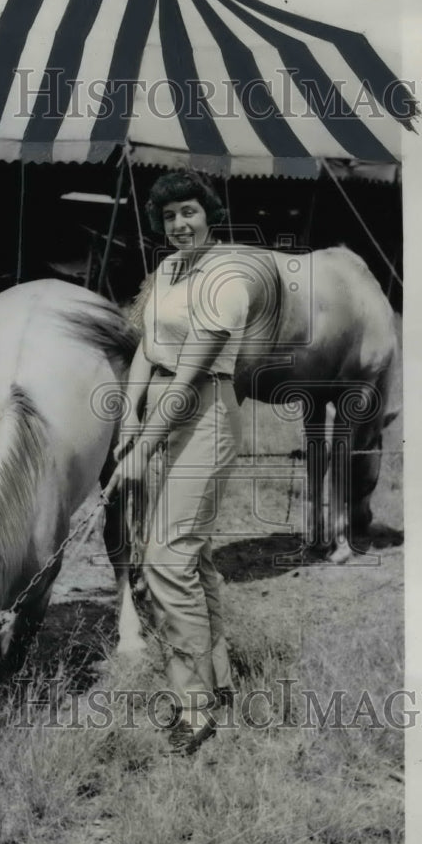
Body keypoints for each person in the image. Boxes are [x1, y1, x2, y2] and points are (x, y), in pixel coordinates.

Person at [105, 170, 252, 756]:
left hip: (204, 412)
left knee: (166, 560)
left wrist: (143, 450)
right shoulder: (167, 271)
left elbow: (190, 371)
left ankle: (193, 708)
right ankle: (218, 682)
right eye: (168, 217)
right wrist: (127, 419)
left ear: (208, 213)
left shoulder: (227, 276)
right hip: (162, 409)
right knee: (194, 555)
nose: (179, 225)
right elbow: (146, 346)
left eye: (188, 212)